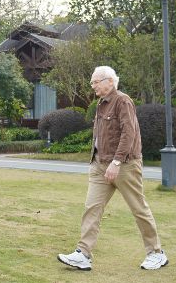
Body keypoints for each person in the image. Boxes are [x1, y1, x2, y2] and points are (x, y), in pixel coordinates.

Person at [58, 65, 168, 271]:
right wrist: (97, 160)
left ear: (110, 81)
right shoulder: (101, 103)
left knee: (138, 208)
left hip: (124, 165)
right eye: (92, 82)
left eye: (95, 82)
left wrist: (116, 162)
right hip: (100, 166)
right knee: (92, 208)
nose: (92, 86)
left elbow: (130, 133)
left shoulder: (123, 101)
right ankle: (83, 254)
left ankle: (156, 253)